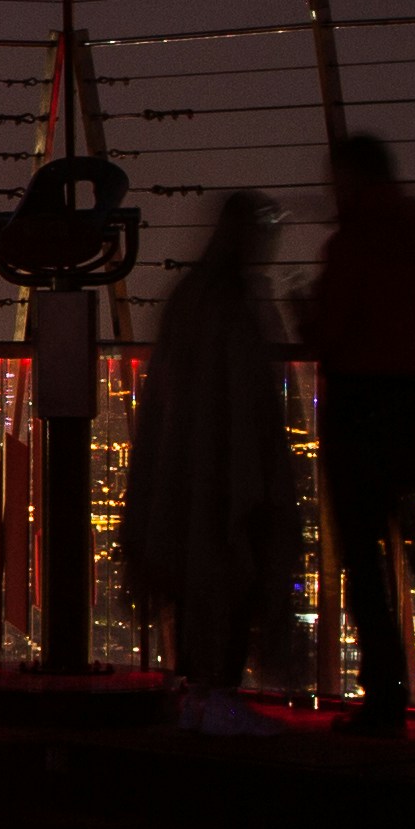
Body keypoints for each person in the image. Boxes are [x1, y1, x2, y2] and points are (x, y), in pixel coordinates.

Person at [301, 131, 415, 738]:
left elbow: (330, 330)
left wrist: (304, 310)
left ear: (351, 178)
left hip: (362, 410)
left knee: (367, 564)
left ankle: (386, 697)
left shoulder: (354, 240)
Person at [123, 190, 302, 731]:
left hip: (184, 475)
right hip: (231, 477)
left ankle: (197, 702)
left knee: (197, 596)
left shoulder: (191, 299)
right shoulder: (240, 304)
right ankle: (216, 701)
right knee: (230, 589)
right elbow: (259, 400)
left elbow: (166, 399)